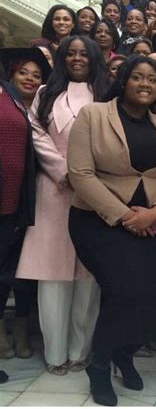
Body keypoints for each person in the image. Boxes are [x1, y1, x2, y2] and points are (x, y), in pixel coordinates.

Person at [68, 55, 156, 406]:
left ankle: (124, 353)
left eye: (152, 79)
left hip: (149, 218)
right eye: (137, 77)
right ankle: (98, 366)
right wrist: (126, 216)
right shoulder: (94, 115)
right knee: (123, 290)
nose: (145, 84)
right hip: (98, 220)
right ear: (124, 80)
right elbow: (81, 174)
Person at [15, 36, 108, 376]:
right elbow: (36, 132)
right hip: (54, 190)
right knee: (53, 277)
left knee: (87, 276)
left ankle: (79, 350)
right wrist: (62, 170)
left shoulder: (105, 93)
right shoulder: (45, 93)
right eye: (71, 53)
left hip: (95, 191)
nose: (78, 58)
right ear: (62, 58)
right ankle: (55, 354)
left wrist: (87, 175)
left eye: (85, 53)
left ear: (94, 58)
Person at [0, 48, 51, 360]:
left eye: (36, 74)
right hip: (7, 202)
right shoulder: (6, 102)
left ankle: (21, 328)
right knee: (4, 270)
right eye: (24, 73)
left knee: (25, 271)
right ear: (11, 74)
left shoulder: (45, 106)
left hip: (37, 202)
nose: (30, 79)